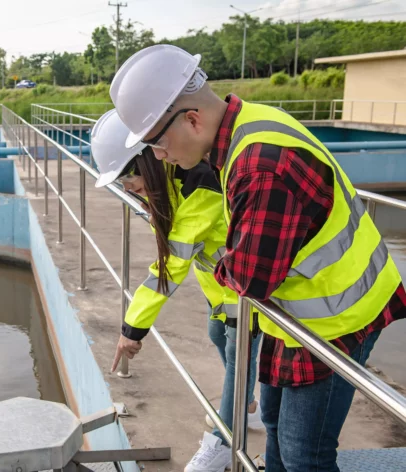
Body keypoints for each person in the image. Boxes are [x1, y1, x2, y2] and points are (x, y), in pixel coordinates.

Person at [108, 44, 406, 472]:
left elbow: (249, 279)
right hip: (301, 311)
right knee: (274, 430)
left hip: (335, 319)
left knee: (306, 455)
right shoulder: (249, 124)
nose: (159, 157)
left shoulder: (258, 166)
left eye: (156, 143)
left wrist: (222, 261)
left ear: (191, 119)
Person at [91, 109, 263, 472]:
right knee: (218, 333)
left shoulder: (198, 181)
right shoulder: (171, 179)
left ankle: (221, 443)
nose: (127, 188)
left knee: (238, 352)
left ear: (147, 161)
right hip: (223, 286)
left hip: (248, 287)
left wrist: (131, 330)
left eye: (128, 178)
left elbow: (169, 268)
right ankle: (245, 403)